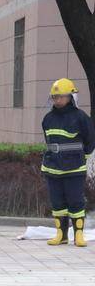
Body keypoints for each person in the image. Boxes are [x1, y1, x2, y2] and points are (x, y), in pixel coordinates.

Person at [42, 78, 95, 247]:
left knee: (76, 201)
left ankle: (78, 236)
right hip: (53, 167)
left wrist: (83, 157)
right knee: (57, 203)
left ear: (71, 96)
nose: (58, 100)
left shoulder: (80, 117)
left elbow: (90, 140)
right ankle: (61, 235)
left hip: (74, 168)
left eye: (61, 97)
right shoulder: (48, 118)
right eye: (55, 97)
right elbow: (48, 141)